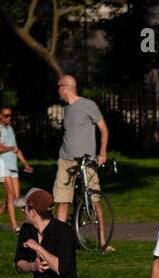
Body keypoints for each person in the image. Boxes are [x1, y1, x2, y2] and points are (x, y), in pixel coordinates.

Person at [53, 74, 113, 251]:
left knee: (95, 200)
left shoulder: (88, 105)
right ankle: (59, 243)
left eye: (58, 86)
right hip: (65, 160)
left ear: (65, 87)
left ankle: (103, 242)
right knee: (62, 200)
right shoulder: (66, 109)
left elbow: (104, 129)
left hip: (86, 160)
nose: (57, 90)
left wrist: (102, 152)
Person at [0, 106, 34, 231]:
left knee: (15, 197)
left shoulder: (10, 128)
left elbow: (16, 148)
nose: (9, 118)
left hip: (12, 164)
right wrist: (9, 148)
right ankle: (14, 226)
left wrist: (25, 164)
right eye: (6, 115)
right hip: (0, 164)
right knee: (10, 194)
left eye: (10, 115)